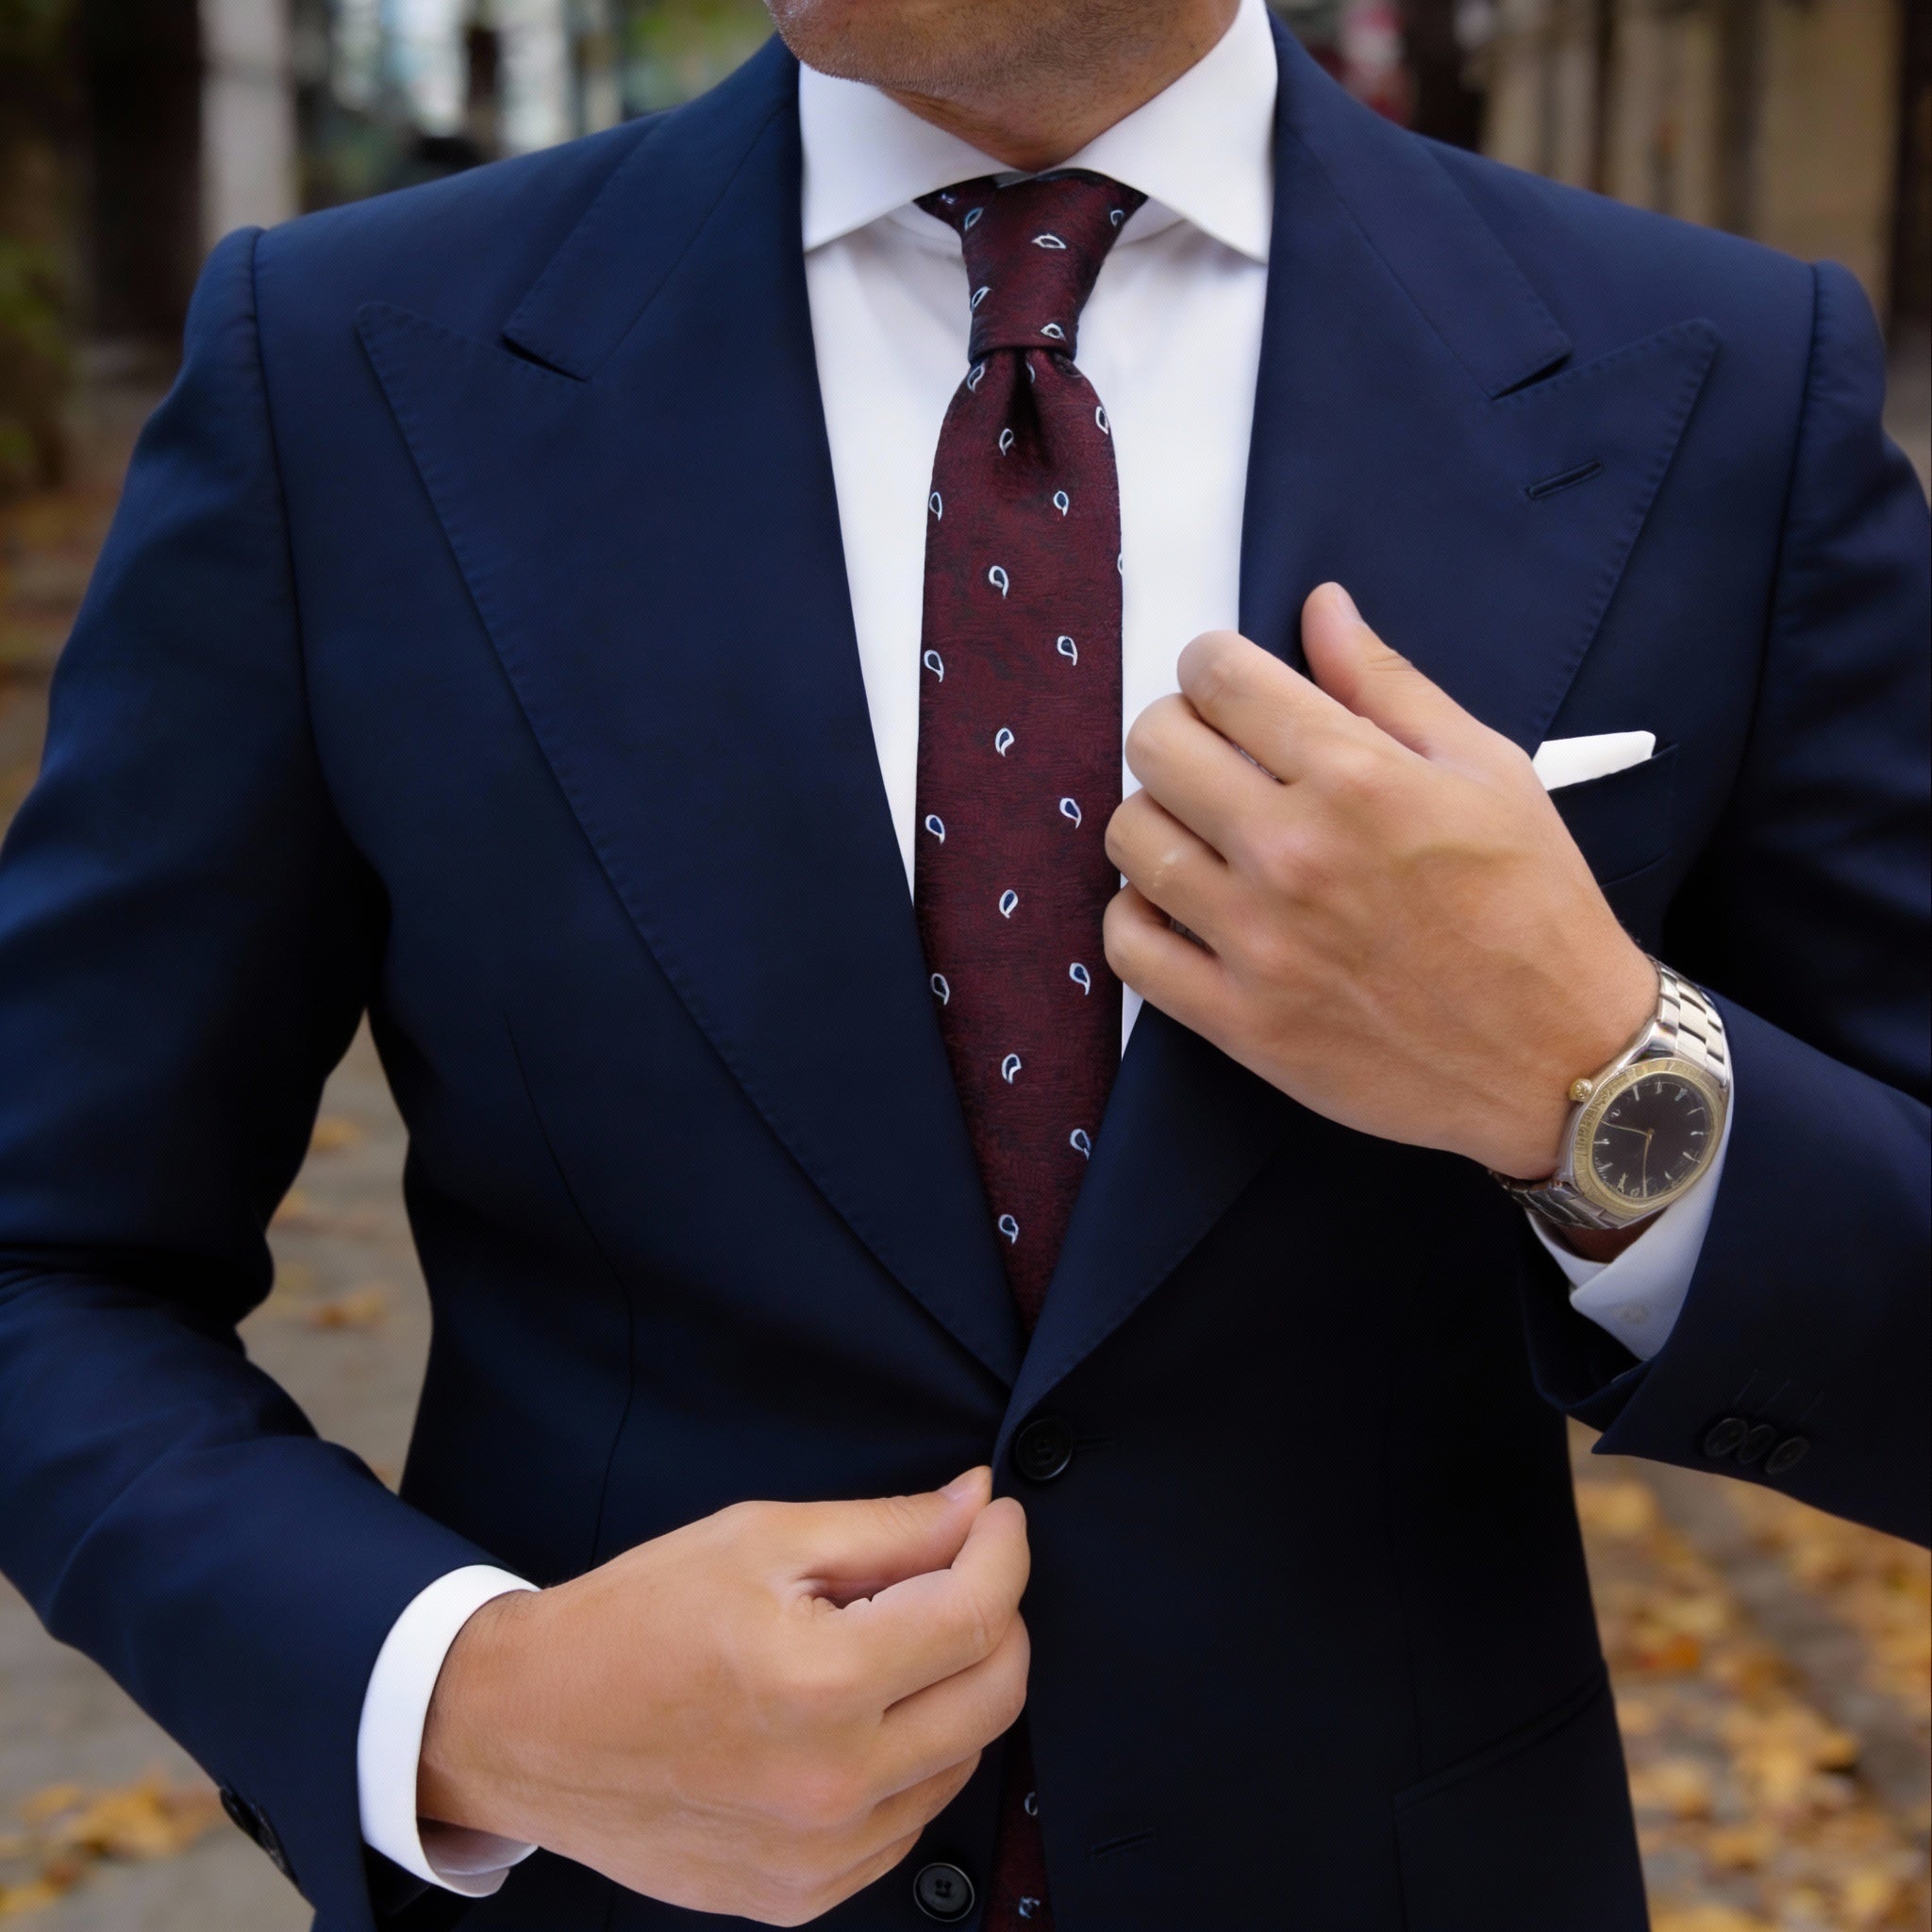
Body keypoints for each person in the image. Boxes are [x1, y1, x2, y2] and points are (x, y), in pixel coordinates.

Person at [0, 0, 1924, 1924]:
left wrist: (1596, 1078)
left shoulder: (1720, 383)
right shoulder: (342, 364)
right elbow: (47, 1257)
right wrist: (461, 1700)